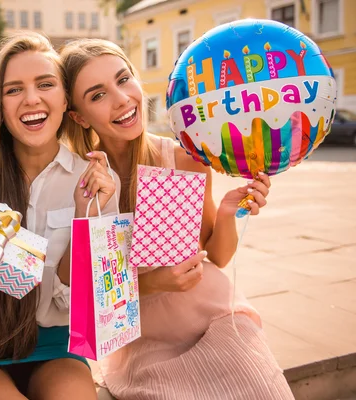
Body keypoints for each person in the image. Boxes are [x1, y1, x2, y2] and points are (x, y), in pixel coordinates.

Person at [60, 38, 295, 400]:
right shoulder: (77, 180)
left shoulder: (183, 157)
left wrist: (230, 211)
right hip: (142, 345)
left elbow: (216, 256)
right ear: (77, 116)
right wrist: (150, 283)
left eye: (124, 79)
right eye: (97, 95)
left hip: (215, 323)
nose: (121, 98)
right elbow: (75, 289)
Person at [0, 32, 118, 400]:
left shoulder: (97, 181)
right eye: (13, 89)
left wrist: (86, 218)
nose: (31, 99)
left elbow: (85, 305)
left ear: (65, 97)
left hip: (56, 345)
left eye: (45, 84)